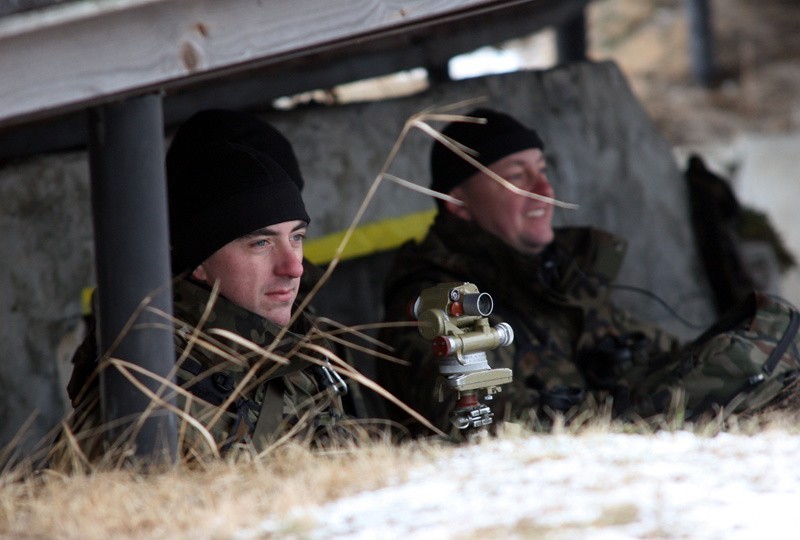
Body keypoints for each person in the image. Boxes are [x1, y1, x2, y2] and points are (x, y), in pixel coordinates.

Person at [377, 107, 800, 436]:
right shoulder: (442, 305)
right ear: (459, 203)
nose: (544, 191)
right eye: (516, 177)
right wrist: (633, 411)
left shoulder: (559, 279)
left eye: (542, 171)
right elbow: (479, 427)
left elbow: (662, 357)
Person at [63, 110, 348, 459]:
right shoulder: (148, 379)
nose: (294, 268)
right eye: (261, 243)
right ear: (199, 262)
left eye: (297, 237)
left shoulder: (293, 343)